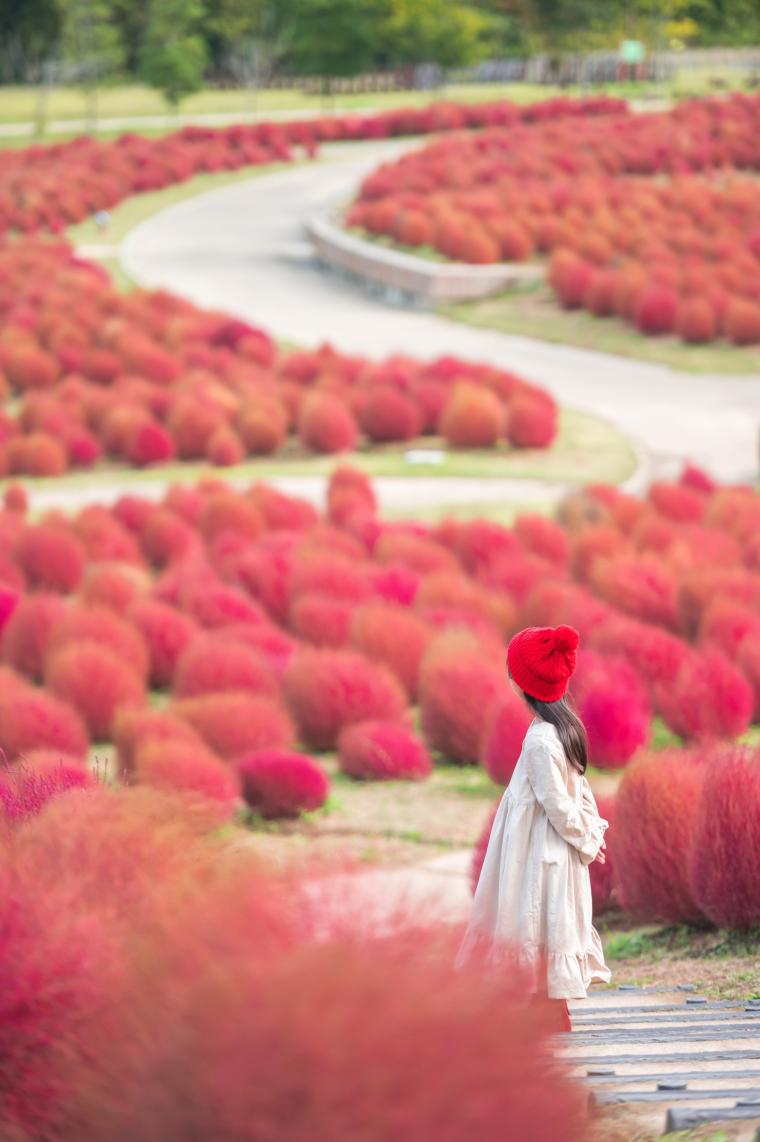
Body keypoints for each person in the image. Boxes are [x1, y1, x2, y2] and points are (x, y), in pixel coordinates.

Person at [454, 624, 611, 1032]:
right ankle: (544, 1010)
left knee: (536, 918)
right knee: (546, 923)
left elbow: (560, 804)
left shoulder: (541, 741)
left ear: (521, 683)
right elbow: (583, 791)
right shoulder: (564, 729)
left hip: (542, 854)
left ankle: (547, 1013)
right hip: (551, 849)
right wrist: (591, 831)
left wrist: (587, 837)